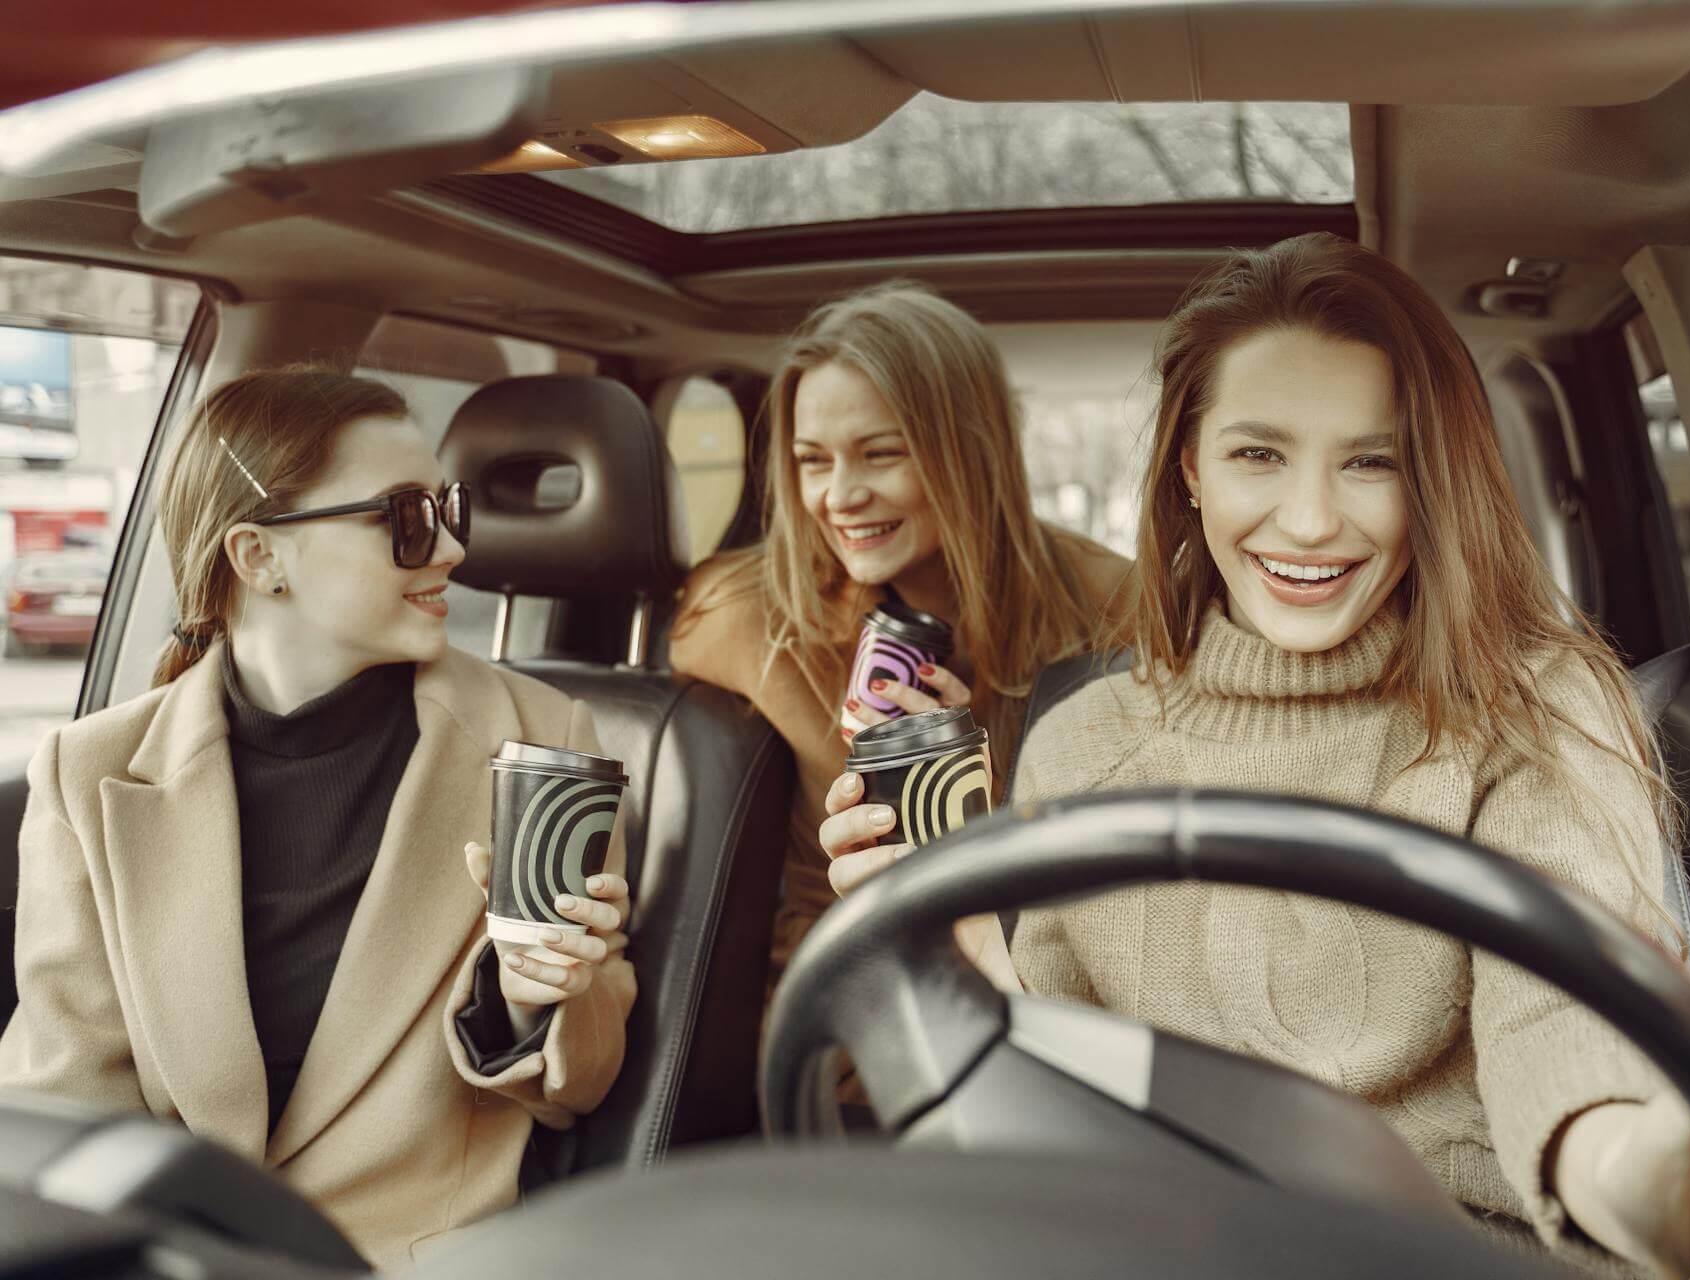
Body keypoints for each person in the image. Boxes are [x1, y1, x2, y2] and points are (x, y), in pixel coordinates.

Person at [820, 236, 1690, 1278]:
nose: (1309, 520)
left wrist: (1675, 1180)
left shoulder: (1532, 712)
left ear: (1428, 478)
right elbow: (1055, 1121)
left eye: (1372, 461)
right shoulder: (1080, 744)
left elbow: (1570, 1048)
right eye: (1258, 453)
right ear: (1189, 466)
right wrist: (961, 962)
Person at [0, 368, 637, 1268]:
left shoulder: (538, 740)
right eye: (407, 519)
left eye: (448, 509)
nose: (452, 548)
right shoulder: (89, 771)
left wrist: (536, 1002)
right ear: (259, 558)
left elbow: (582, 1086)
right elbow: (65, 1100)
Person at [671, 281, 1129, 978]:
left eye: (881, 453)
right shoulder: (748, 617)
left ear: (969, 452)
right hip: (845, 1002)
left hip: (1047, 988)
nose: (840, 496)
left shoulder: (1111, 608)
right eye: (813, 460)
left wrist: (984, 794)